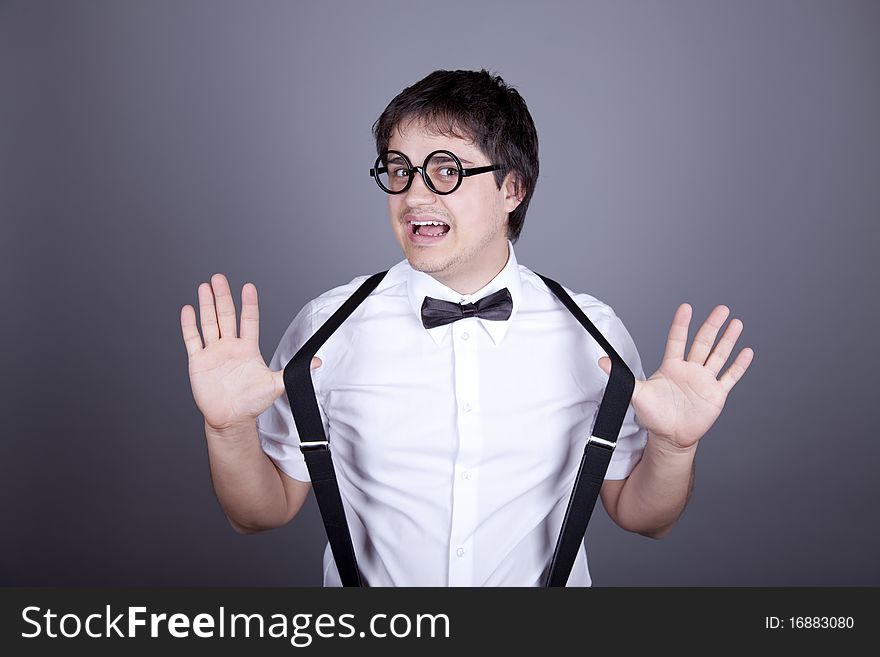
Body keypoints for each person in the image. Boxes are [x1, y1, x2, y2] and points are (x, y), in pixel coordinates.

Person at [180, 69, 754, 587]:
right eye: (399, 170)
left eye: (445, 171)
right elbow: (260, 513)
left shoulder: (592, 335)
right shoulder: (328, 326)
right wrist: (228, 430)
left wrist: (675, 448)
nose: (413, 195)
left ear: (512, 189)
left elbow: (642, 517)